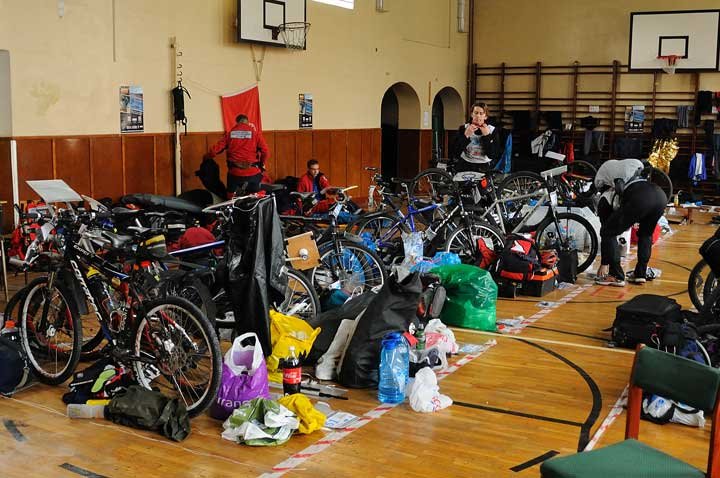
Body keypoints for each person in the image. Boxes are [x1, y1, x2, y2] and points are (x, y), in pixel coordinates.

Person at [594, 158, 667, 286]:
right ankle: (640, 274)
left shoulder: (606, 174)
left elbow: (619, 189)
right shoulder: (632, 167)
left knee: (607, 231)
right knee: (645, 234)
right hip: (659, 195)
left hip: (640, 198)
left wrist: (605, 262)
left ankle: (616, 275)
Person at [204, 114, 269, 197]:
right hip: (253, 173)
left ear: (237, 122)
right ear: (247, 122)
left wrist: (206, 158)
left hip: (235, 174)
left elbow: (214, 151)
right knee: (256, 197)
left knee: (230, 198)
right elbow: (265, 151)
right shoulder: (255, 134)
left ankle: (230, 199)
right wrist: (262, 163)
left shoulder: (230, 134)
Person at [450, 102, 502, 172]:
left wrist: (487, 136)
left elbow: (492, 155)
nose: (478, 116)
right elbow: (455, 152)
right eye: (476, 113)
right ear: (472, 114)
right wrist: (466, 136)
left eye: (481, 113)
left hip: (484, 165)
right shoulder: (463, 128)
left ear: (485, 116)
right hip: (465, 163)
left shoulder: (492, 130)